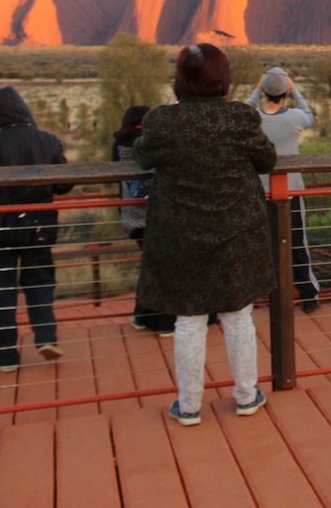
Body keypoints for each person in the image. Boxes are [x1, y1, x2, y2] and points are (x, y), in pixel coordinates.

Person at [133, 43, 276, 426]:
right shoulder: (240, 118)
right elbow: (267, 159)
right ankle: (247, 396)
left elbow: (142, 155)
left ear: (181, 79)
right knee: (238, 315)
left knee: (189, 318)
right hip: (236, 229)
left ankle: (190, 405)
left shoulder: (162, 121)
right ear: (223, 79)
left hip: (181, 234)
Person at [0, 86, 72, 372]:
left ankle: (5, 356)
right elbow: (63, 184)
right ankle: (47, 338)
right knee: (39, 283)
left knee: (0, 291)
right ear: (24, 109)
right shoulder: (48, 141)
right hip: (38, 228)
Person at [247, 67, 321, 313]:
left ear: (265, 90)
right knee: (297, 243)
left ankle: (258, 295)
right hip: (291, 193)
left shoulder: (253, 119)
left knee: (260, 245)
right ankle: (308, 294)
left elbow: (242, 113)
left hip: (260, 193)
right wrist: (295, 89)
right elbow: (310, 115)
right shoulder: (294, 118)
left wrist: (256, 91)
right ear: (285, 92)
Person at [111, 105, 176, 335]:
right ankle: (164, 322)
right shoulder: (153, 140)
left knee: (151, 265)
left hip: (131, 215)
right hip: (157, 212)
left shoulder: (119, 144)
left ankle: (142, 315)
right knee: (164, 268)